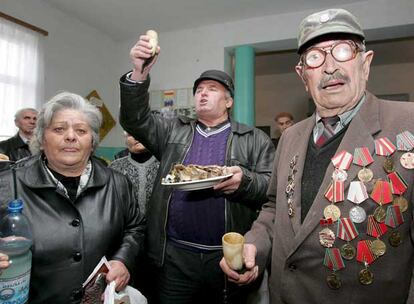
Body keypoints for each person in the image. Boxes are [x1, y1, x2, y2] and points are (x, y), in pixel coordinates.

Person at [220, 8, 414, 304]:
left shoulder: (408, 123)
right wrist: (254, 246)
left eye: (342, 50)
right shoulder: (290, 136)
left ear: (365, 62)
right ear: (303, 75)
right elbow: (275, 208)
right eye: (315, 57)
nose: (329, 67)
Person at [119, 33, 275, 304]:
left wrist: (245, 182)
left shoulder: (254, 139)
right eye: (199, 89)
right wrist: (139, 72)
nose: (203, 92)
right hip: (175, 257)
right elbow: (134, 120)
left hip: (226, 257)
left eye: (212, 88)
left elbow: (271, 188)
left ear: (228, 101)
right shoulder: (170, 130)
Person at [0, 92, 145, 303]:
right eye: (59, 129)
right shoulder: (7, 184)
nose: (71, 136)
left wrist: (122, 260)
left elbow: (135, 227)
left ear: (92, 140)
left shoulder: (118, 183)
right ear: (41, 138)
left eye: (81, 130)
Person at [109, 131, 159, 220]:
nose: (136, 137)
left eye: (141, 132)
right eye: (131, 134)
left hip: (159, 228)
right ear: (125, 139)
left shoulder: (164, 165)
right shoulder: (114, 168)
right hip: (125, 228)